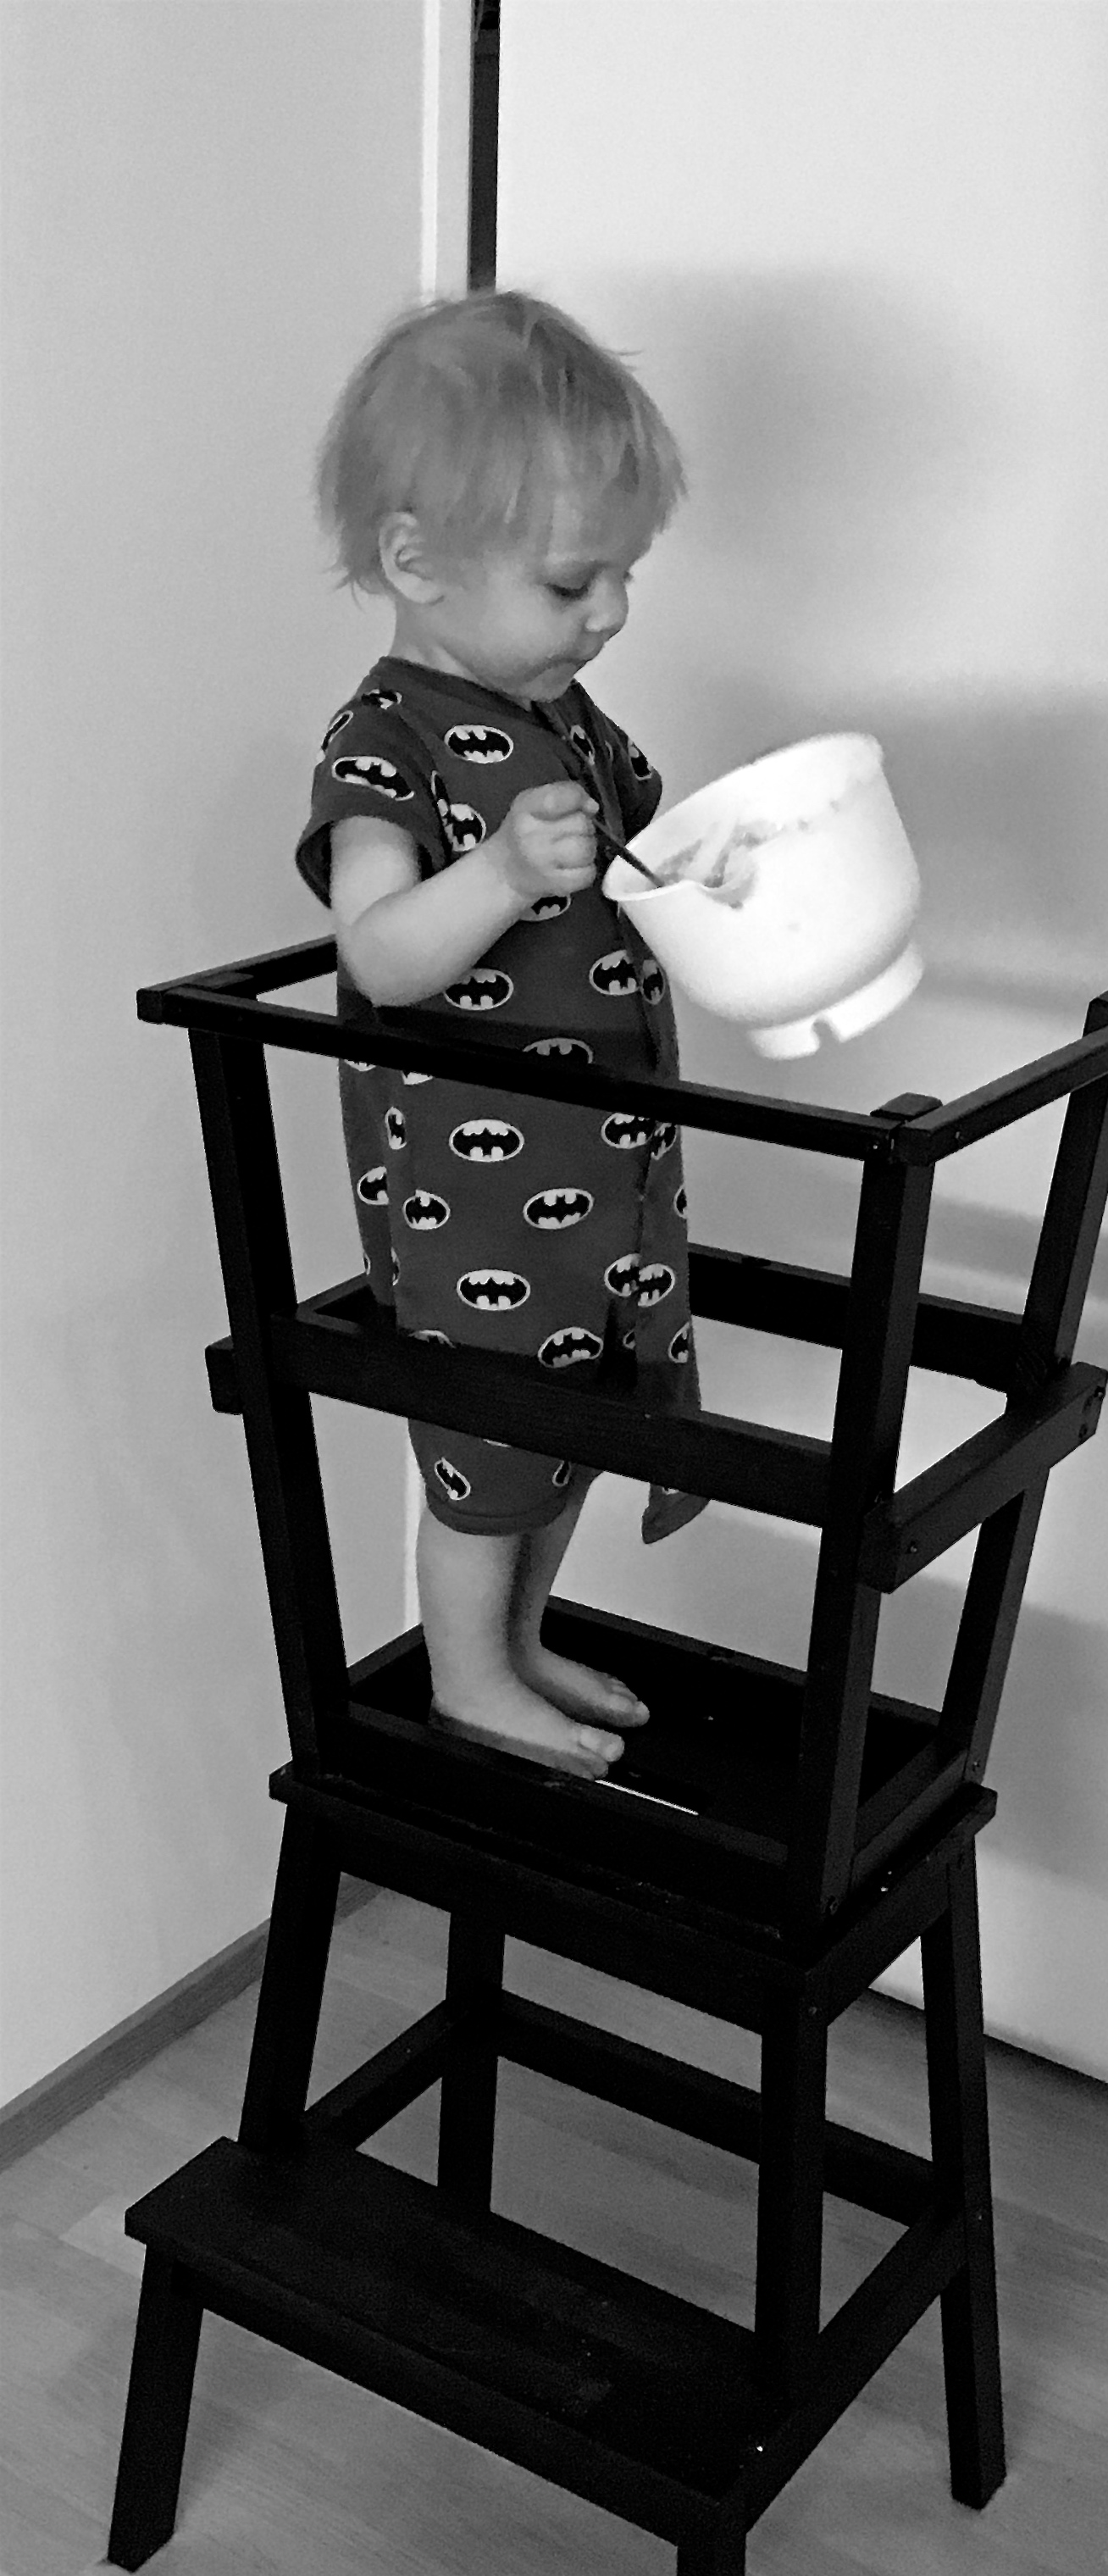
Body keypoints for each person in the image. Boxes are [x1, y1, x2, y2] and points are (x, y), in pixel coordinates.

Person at [296, 289, 706, 1780]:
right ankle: (469, 1677)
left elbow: (644, 848)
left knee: (581, 1418)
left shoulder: (566, 715)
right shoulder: (385, 743)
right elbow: (379, 954)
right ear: (418, 562)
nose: (608, 614)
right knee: (489, 1435)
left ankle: (520, 1641)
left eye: (622, 577)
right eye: (571, 581)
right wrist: (497, 874)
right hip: (476, 1183)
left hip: (607, 1154)